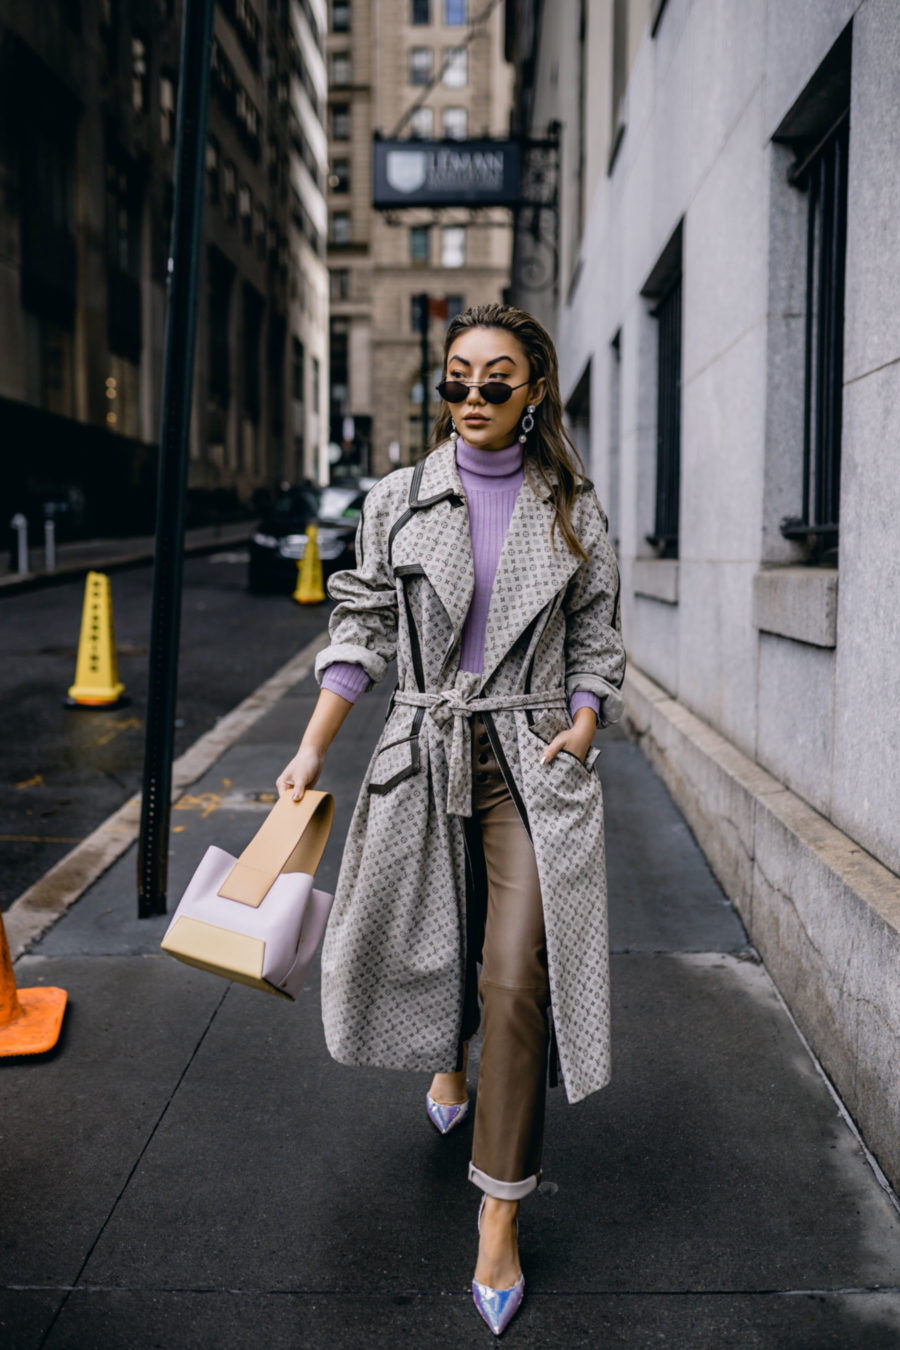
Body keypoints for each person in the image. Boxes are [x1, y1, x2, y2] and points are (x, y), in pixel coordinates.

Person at [276, 303, 625, 1336]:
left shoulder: (573, 506)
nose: (471, 398)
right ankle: (448, 1054)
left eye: (494, 380)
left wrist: (586, 717)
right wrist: (311, 743)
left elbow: (597, 635)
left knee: (517, 974)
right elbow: (364, 622)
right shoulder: (398, 498)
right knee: (446, 935)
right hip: (423, 749)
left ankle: (498, 1215)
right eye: (455, 379)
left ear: (535, 392)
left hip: (528, 756)